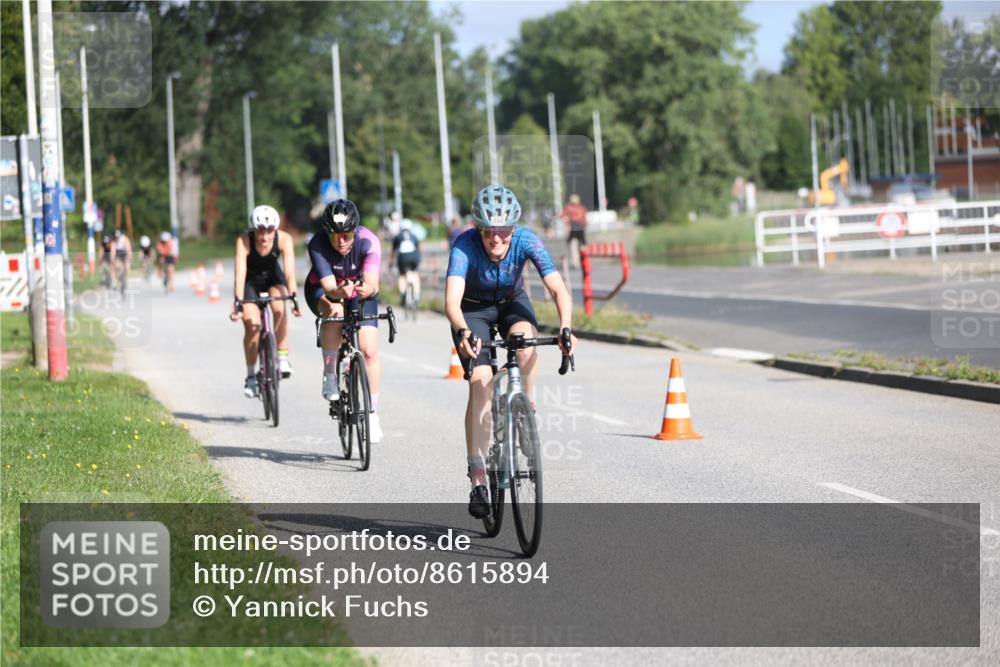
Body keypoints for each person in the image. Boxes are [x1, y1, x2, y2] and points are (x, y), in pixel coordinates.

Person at [445, 184, 577, 518]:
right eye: (489, 232)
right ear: (478, 229)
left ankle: (525, 408)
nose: (496, 239)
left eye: (503, 231)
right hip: (472, 310)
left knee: (525, 345)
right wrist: (462, 330)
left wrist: (565, 327)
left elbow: (558, 289)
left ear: (514, 229)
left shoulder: (527, 240)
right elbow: (451, 301)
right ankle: (478, 476)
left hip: (511, 303)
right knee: (481, 385)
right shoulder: (464, 245)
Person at [304, 199, 384, 443]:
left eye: (346, 235)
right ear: (326, 233)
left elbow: (373, 283)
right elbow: (330, 287)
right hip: (324, 290)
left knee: (369, 351)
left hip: (358, 290)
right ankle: (330, 374)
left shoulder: (369, 241)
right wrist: (340, 292)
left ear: (355, 231)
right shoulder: (317, 244)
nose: (340, 241)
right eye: (334, 235)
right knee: (336, 312)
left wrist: (367, 289)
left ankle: (372, 415)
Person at [230, 205, 300, 398]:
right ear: (253, 230)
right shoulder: (244, 241)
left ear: (275, 230)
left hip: (273, 279)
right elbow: (240, 273)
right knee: (252, 326)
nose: (265, 236)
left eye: (269, 231)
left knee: (279, 307)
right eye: (260, 231)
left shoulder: (284, 239)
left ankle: (282, 358)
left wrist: (294, 297)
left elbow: (290, 273)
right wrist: (238, 302)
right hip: (250, 283)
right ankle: (251, 376)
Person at [391, 218, 421, 305]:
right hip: (414, 256)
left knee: (402, 275)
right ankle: (417, 294)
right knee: (415, 273)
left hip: (403, 257)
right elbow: (418, 249)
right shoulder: (414, 236)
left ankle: (403, 293)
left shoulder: (397, 237)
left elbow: (393, 252)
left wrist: (390, 263)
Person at [561, 193, 588, 268]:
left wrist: (567, 222)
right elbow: (585, 219)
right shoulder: (582, 208)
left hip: (572, 228)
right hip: (581, 228)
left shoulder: (568, 207)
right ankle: (584, 260)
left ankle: (575, 262)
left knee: (573, 246)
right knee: (582, 245)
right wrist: (585, 225)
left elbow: (563, 216)